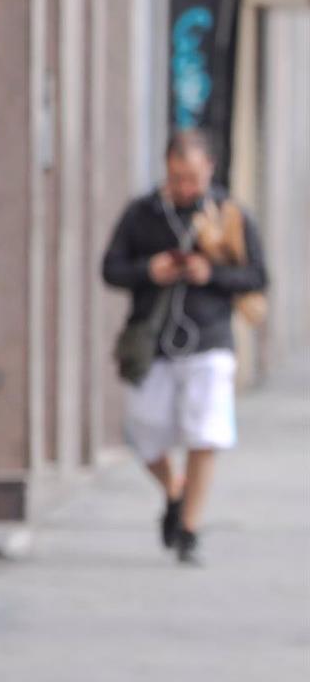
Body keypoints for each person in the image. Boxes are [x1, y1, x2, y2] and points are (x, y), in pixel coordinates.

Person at [101, 130, 268, 565]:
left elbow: (257, 276)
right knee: (143, 430)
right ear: (166, 170)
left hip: (209, 338)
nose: (185, 187)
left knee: (205, 432)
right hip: (153, 341)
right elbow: (111, 268)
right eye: (177, 178)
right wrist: (149, 270)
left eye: (192, 178)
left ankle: (189, 529)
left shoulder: (230, 214)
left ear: (209, 169)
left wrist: (210, 274)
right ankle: (175, 490)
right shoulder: (143, 213)